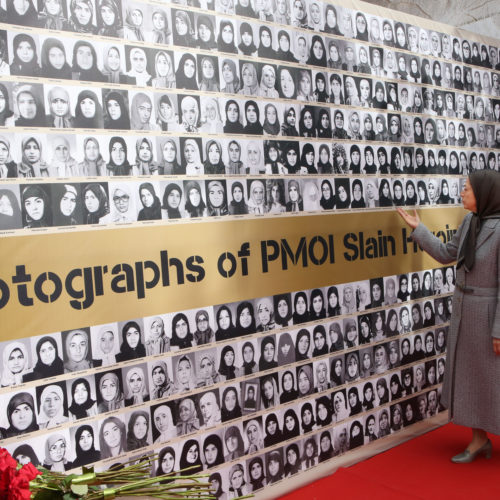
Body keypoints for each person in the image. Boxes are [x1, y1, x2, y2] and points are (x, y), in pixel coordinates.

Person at [397, 170, 500, 463]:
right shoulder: (469, 221)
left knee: (494, 381)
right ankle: (479, 440)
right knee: (472, 380)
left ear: (483, 194)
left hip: (489, 314)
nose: (462, 193)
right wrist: (419, 229)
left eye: (467, 189)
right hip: (465, 315)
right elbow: (446, 253)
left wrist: (499, 330)